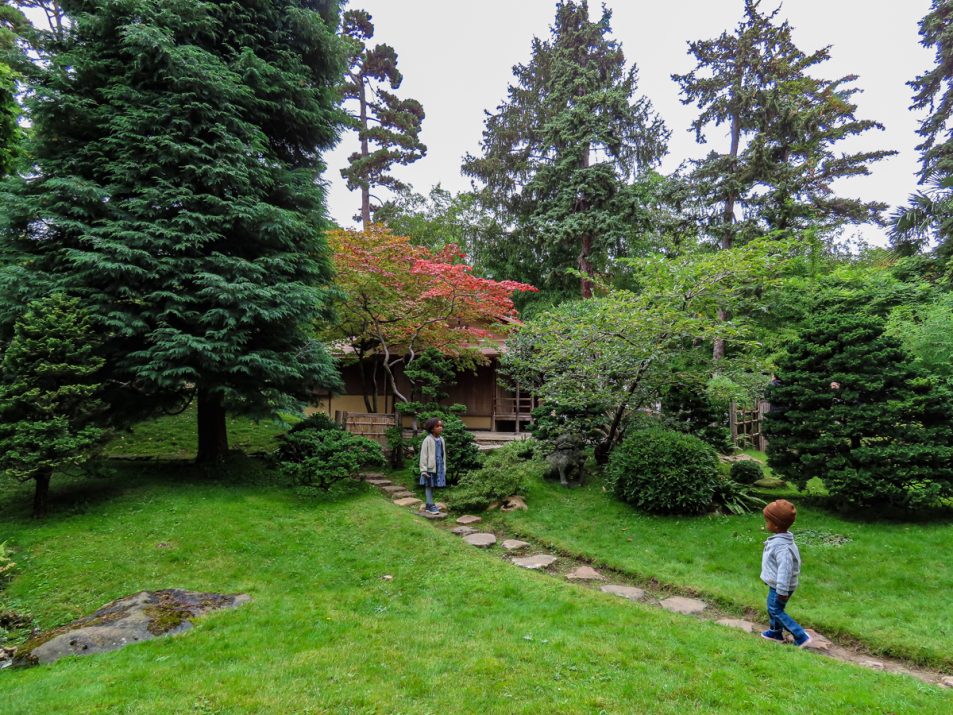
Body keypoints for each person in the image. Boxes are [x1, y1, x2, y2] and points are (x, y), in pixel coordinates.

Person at [760, 499, 812, 648]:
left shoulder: (782, 547)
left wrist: (782, 590)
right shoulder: (782, 540)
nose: (765, 524)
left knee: (776, 610)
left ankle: (801, 636)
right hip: (777, 585)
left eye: (767, 521)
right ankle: (775, 632)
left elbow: (785, 570)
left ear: (775, 525)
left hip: (781, 587)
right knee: (773, 608)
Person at [419, 417, 447, 514]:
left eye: (441, 426)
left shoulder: (441, 439)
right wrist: (423, 470)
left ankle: (428, 505)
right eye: (437, 426)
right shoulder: (427, 440)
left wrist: (443, 467)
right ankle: (430, 505)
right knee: (429, 485)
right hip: (430, 467)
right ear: (432, 428)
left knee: (433, 485)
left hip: (438, 467)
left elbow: (443, 455)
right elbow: (423, 455)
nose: (440, 428)